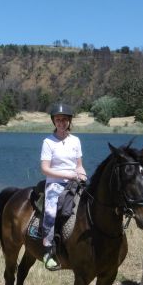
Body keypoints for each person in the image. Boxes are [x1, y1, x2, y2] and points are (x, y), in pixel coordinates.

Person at [40, 102, 87, 270]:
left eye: (65, 119)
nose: (61, 122)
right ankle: (47, 250)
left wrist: (82, 173)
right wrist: (69, 175)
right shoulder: (48, 142)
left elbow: (79, 164)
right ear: (54, 121)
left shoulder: (76, 140)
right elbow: (45, 169)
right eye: (58, 119)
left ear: (69, 121)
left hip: (75, 181)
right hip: (55, 183)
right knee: (51, 212)